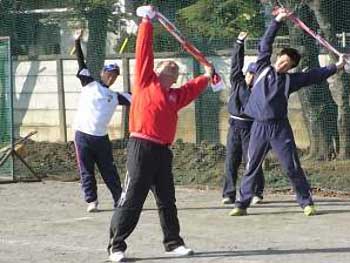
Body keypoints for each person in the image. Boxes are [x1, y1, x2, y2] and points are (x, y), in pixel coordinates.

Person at [107, 6, 214, 262]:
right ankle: (116, 245)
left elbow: (193, 87)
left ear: (177, 77)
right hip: (141, 147)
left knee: (167, 200)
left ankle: (173, 243)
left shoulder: (175, 96)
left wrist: (209, 76)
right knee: (132, 196)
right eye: (167, 65)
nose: (172, 67)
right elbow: (144, 51)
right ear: (158, 69)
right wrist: (146, 22)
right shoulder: (145, 81)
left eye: (175, 68)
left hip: (163, 151)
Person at [229, 8, 346, 217]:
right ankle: (242, 204)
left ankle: (306, 202)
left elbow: (314, 75)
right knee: (251, 165)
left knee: (291, 166)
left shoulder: (290, 81)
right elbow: (265, 43)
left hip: (279, 128)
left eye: (287, 64)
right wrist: (277, 20)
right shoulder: (263, 66)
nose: (282, 64)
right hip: (258, 126)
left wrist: (336, 66)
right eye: (281, 60)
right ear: (277, 58)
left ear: (291, 66)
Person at [73, 29, 131, 213]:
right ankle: (92, 201)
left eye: (115, 74)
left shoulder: (115, 96)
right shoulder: (90, 84)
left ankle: (119, 199)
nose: (111, 76)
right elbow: (81, 63)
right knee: (86, 170)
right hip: (82, 135)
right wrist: (77, 42)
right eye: (109, 72)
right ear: (102, 72)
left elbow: (142, 97)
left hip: (101, 139)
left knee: (109, 171)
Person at [222, 31, 265, 205]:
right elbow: (235, 64)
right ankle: (229, 193)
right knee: (231, 160)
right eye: (250, 73)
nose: (251, 77)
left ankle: (256, 193)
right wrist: (239, 43)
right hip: (234, 127)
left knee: (252, 161)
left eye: (255, 75)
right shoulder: (237, 82)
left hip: (251, 129)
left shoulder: (260, 91)